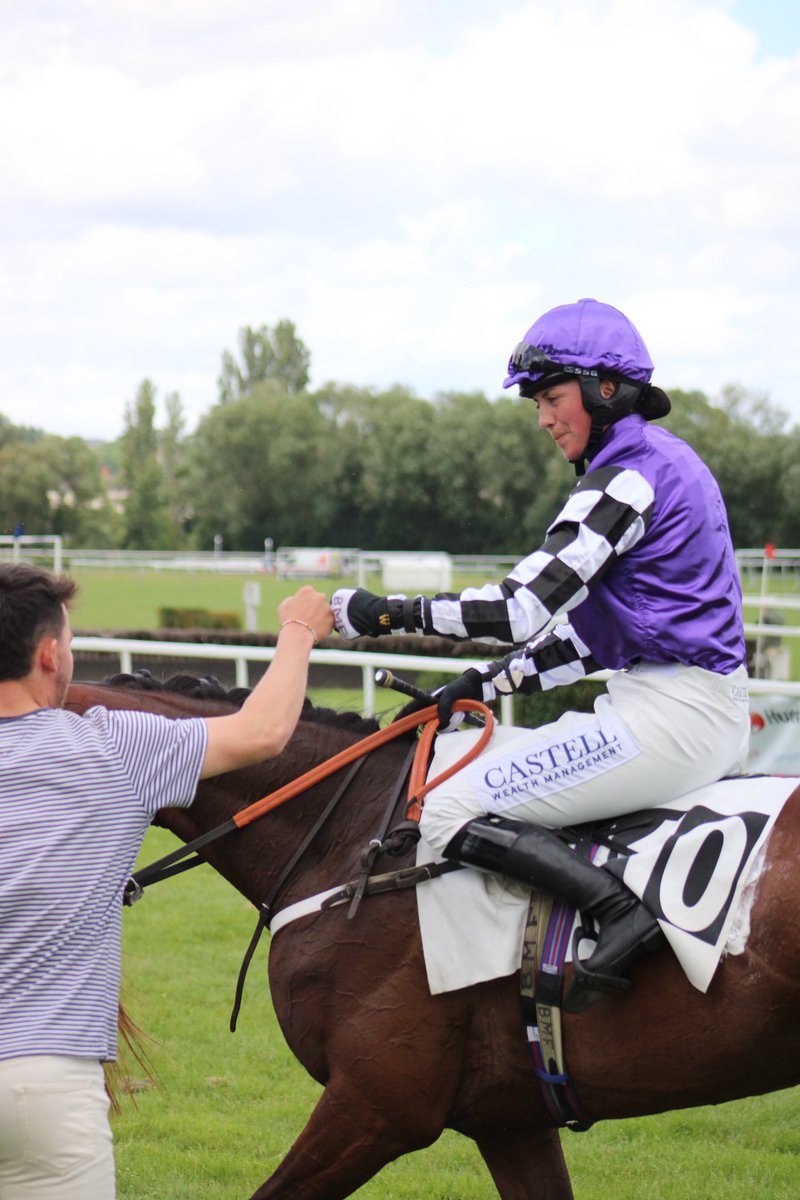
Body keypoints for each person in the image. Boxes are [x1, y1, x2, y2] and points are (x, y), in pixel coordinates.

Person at [331, 297, 749, 1012]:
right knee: (463, 766)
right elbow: (592, 637)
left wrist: (384, 614)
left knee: (441, 804)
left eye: (553, 398)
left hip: (675, 718)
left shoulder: (627, 476)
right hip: (670, 703)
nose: (544, 419)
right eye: (537, 404)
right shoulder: (655, 464)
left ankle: (619, 915)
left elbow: (519, 608)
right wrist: (481, 685)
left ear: (603, 390)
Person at [0, 562, 333, 1199]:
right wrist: (297, 630)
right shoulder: (111, 748)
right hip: (43, 1088)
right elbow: (263, 732)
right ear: (48, 655)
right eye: (69, 643)